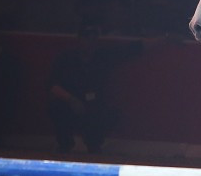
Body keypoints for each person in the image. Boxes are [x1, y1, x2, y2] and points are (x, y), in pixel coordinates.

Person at [47, 24, 141, 154]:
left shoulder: (103, 57)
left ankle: (94, 144)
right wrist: (71, 99)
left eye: (93, 39)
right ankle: (64, 144)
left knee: (109, 113)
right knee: (56, 107)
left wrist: (164, 38)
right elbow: (52, 85)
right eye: (86, 38)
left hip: (94, 105)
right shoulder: (66, 58)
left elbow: (134, 49)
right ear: (79, 39)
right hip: (68, 103)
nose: (89, 43)